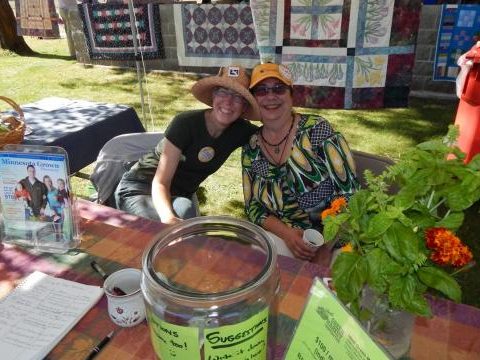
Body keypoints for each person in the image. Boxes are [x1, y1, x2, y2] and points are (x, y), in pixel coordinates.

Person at [242, 63, 359, 261]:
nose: (271, 96)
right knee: (258, 265)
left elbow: (350, 194)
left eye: (279, 89)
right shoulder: (251, 147)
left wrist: (325, 249)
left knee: (329, 287)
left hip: (336, 239)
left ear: (291, 95)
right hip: (286, 238)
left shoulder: (317, 130)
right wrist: (287, 235)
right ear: (253, 99)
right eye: (261, 90)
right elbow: (253, 206)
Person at [115, 66, 261, 224]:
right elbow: (161, 182)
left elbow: (273, 131)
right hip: (140, 189)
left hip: (178, 195)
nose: (228, 101)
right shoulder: (185, 123)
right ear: (213, 95)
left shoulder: (240, 130)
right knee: (162, 232)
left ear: (245, 106)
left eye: (238, 97)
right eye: (223, 92)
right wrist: (168, 217)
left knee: (186, 211)